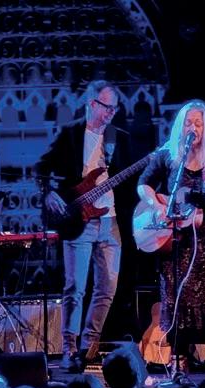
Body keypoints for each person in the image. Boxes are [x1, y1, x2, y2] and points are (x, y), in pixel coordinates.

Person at [137, 100, 205, 368]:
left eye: (198, 123)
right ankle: (181, 359)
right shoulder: (168, 154)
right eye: (188, 123)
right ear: (180, 127)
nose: (193, 128)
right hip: (178, 241)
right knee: (179, 294)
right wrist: (157, 207)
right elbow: (143, 185)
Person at [36, 80, 128, 372]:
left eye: (115, 108)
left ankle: (90, 346)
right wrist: (48, 192)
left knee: (107, 287)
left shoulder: (117, 137)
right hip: (78, 220)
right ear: (92, 104)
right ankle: (69, 348)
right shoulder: (70, 134)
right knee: (75, 287)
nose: (111, 113)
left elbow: (130, 178)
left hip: (110, 221)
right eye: (107, 107)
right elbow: (42, 167)